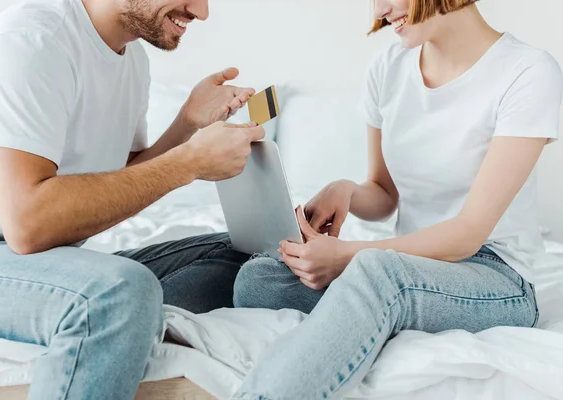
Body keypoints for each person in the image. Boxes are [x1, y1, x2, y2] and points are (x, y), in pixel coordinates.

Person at [232, 0, 563, 398]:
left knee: (377, 275)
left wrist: (350, 255)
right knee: (260, 279)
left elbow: (468, 234)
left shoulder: (527, 72)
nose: (380, 9)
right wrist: (347, 191)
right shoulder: (388, 68)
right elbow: (385, 196)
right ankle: (375, 312)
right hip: (407, 266)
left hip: (495, 276)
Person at [0, 0, 264, 398]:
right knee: (119, 292)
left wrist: (186, 125)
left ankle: (128, 321)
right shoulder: (31, 42)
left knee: (247, 253)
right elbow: (27, 224)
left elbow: (119, 180)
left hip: (53, 261)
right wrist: (187, 164)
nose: (202, 12)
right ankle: (122, 314)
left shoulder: (133, 60)